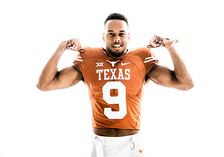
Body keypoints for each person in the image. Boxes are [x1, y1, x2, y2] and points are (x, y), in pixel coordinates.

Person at [37, 13, 193, 157]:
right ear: (103, 36)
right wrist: (60, 49)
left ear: (128, 36)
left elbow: (185, 83)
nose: (116, 39)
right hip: (100, 143)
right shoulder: (89, 59)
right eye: (111, 34)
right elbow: (44, 84)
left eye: (121, 34)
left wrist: (170, 48)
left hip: (131, 143)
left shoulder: (140, 58)